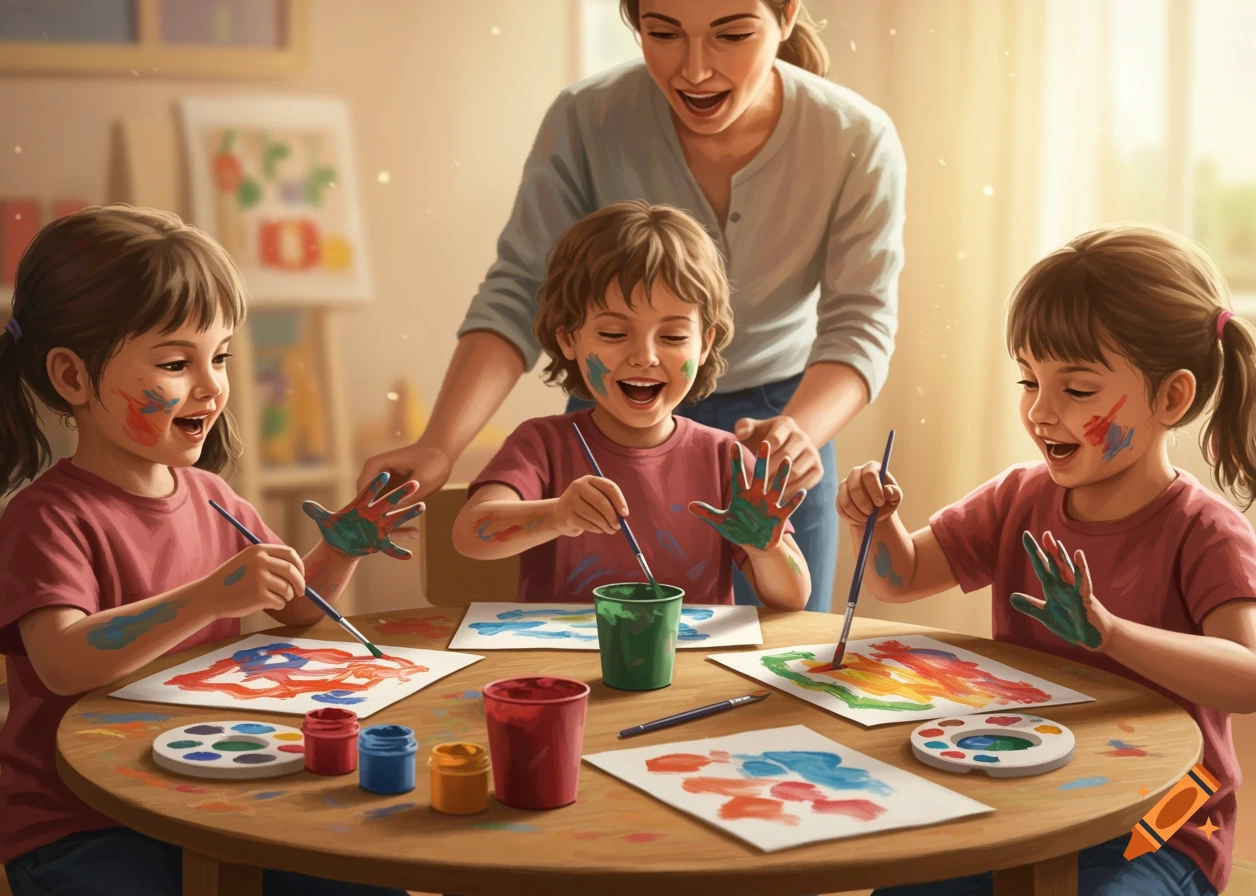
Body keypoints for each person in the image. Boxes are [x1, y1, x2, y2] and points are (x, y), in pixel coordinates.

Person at [360, 0, 907, 614]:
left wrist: (797, 432)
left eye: (730, 35)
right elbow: (519, 289)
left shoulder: (856, 136)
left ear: (786, 16)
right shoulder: (586, 118)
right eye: (664, 33)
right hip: (607, 410)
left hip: (784, 418)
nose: (695, 71)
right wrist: (440, 444)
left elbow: (859, 323)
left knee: (774, 658)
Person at [0, 205, 421, 896]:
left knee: (369, 881)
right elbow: (62, 663)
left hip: (210, 793)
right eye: (177, 362)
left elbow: (298, 609)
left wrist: (339, 552)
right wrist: (212, 596)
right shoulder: (49, 517)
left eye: (220, 357)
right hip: (81, 824)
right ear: (72, 378)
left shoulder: (213, 496)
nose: (212, 388)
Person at [838, 224, 1256, 896]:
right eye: (1029, 380)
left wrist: (1111, 635)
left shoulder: (1205, 531)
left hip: (1157, 828)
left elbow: (1247, 679)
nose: (1040, 411)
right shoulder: (1017, 498)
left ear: (1171, 398)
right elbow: (900, 580)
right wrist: (875, 522)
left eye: (1079, 390)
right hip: (1020, 804)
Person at [453, 201, 811, 611]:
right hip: (561, 670)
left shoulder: (724, 457)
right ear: (569, 338)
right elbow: (469, 534)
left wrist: (766, 551)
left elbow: (792, 598)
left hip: (689, 671)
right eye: (612, 333)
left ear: (705, 342)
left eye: (674, 337)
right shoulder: (542, 444)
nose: (645, 356)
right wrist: (556, 516)